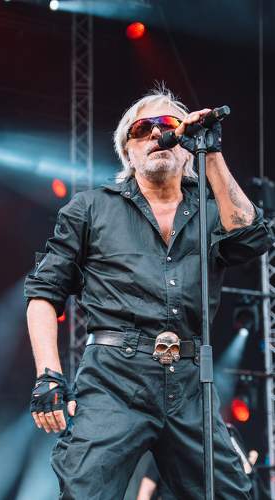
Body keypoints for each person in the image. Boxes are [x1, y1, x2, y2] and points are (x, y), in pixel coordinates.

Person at [24, 87, 273, 499]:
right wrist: (48, 375)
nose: (157, 134)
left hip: (190, 382)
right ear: (128, 148)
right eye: (143, 128)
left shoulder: (212, 212)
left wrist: (211, 152)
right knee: (85, 491)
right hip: (113, 381)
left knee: (229, 493)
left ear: (184, 146)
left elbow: (252, 238)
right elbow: (43, 294)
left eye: (169, 126)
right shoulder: (91, 209)